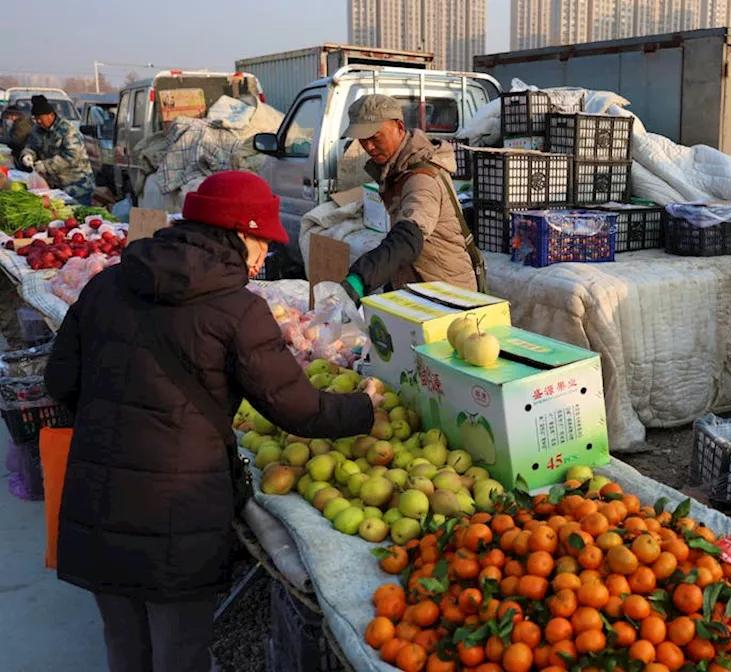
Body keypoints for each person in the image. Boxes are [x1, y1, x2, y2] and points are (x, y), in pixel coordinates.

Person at [44, 171, 379, 672]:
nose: (266, 255)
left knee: (123, 640)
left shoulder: (108, 283)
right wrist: (365, 407)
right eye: (262, 241)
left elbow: (59, 382)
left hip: (97, 496)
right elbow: (297, 409)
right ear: (235, 233)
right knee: (179, 648)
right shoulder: (238, 311)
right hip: (180, 510)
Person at [337, 94, 485, 303]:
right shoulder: (397, 170)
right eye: (362, 140)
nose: (368, 147)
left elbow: (408, 237)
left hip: (449, 297)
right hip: (422, 290)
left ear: (399, 126)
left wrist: (361, 278)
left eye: (375, 137)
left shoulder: (422, 179)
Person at [19, 95, 95, 204]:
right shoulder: (37, 130)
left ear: (50, 115)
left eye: (40, 118)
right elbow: (31, 146)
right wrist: (27, 155)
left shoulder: (68, 130)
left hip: (77, 186)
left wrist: (46, 165)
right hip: (54, 186)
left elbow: (72, 156)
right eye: (36, 119)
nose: (38, 121)